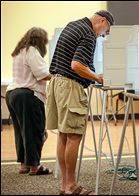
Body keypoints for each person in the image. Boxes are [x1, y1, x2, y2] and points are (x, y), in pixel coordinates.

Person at [46, 10, 114, 195]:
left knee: (63, 135)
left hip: (57, 84)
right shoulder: (88, 33)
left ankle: (64, 185)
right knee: (74, 136)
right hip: (70, 86)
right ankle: (71, 186)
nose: (101, 36)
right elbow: (76, 65)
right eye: (105, 31)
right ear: (102, 21)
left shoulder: (72, 25)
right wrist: (97, 77)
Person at [5, 27, 52, 175]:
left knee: (21, 131)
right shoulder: (32, 50)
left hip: (12, 94)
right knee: (34, 131)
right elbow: (43, 74)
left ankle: (24, 165)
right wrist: (58, 73)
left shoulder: (19, 51)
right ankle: (34, 166)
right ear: (40, 40)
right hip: (27, 96)